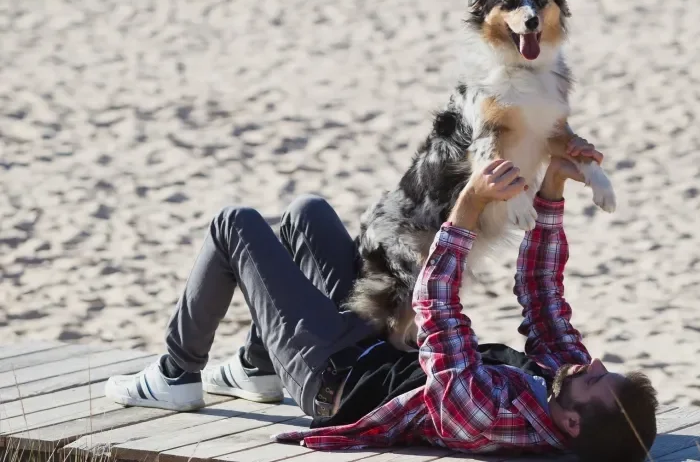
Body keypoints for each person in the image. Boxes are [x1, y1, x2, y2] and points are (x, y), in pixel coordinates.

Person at [105, 136, 659, 462]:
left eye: (593, 379)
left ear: (569, 427)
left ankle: (177, 372)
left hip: (332, 376)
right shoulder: (558, 387)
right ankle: (257, 367)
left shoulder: (490, 418)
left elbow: (437, 310)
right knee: (307, 213)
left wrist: (467, 206)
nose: (590, 364)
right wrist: (554, 188)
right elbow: (543, 296)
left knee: (235, 225)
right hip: (379, 338)